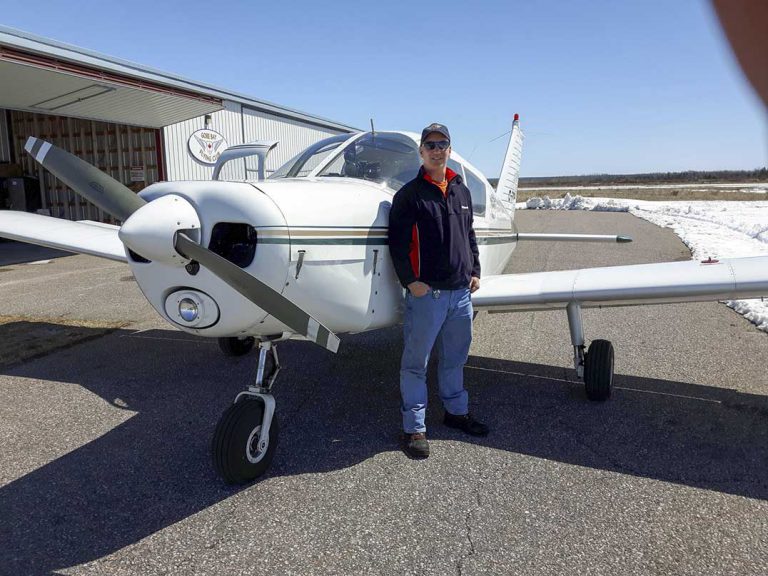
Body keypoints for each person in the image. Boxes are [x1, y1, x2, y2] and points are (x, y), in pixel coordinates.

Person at [388, 123, 489, 459]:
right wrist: (410, 282)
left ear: (449, 148)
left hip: (460, 294)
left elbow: (468, 234)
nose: (436, 149)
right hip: (427, 295)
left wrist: (474, 270)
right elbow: (397, 245)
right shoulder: (409, 195)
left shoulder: (461, 191)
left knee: (455, 359)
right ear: (421, 151)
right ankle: (414, 428)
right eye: (429, 144)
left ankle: (456, 413)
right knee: (415, 364)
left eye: (442, 143)